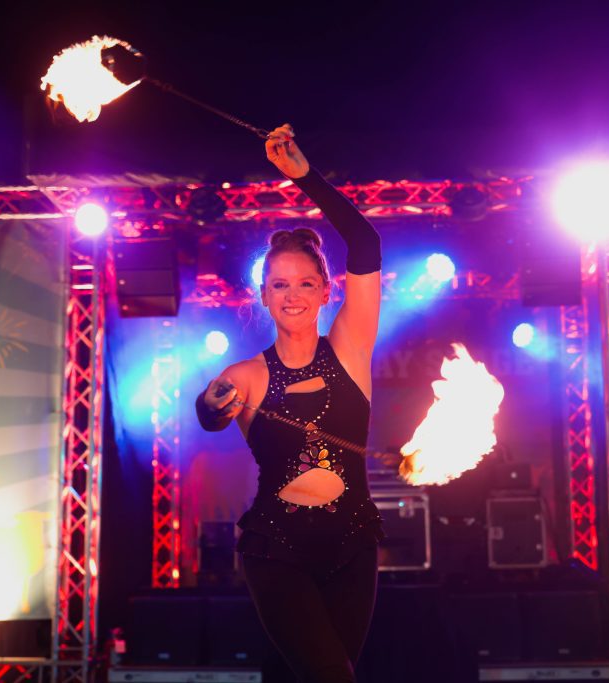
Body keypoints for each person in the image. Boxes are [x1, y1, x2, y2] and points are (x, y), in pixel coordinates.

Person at [195, 124, 383, 683]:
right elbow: (209, 414)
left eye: (305, 283)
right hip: (277, 552)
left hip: (354, 550)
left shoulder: (351, 349)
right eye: (279, 285)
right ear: (264, 296)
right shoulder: (248, 374)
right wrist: (212, 402)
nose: (293, 295)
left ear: (327, 290)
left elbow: (366, 245)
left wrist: (307, 178)